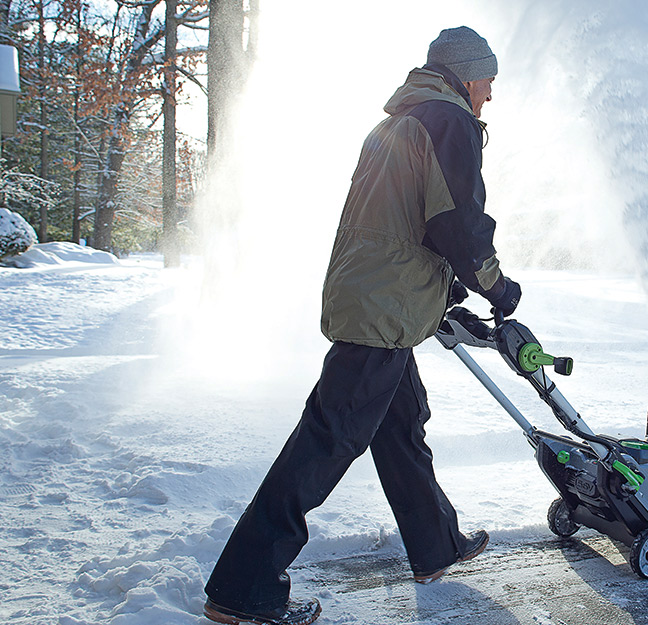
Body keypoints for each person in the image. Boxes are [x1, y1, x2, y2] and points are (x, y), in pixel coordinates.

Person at [203, 26, 520, 625]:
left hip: (377, 299)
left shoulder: (399, 123)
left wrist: (443, 288)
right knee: (325, 442)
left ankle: (436, 546)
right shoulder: (448, 121)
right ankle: (244, 589)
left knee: (401, 426)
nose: (490, 94)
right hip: (382, 310)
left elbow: (408, 219)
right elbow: (458, 223)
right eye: (488, 80)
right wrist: (494, 286)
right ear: (465, 74)